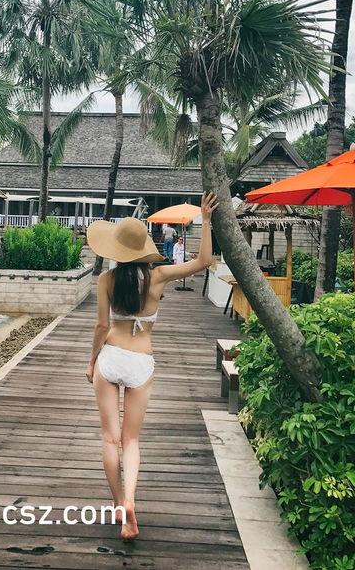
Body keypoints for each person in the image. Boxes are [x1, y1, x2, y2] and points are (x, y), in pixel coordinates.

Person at [85, 192, 218, 542]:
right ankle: (131, 501)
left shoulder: (106, 280)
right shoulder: (157, 277)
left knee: (109, 438)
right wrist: (205, 219)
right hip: (141, 361)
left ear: (116, 250)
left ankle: (118, 504)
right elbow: (204, 261)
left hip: (110, 356)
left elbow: (101, 326)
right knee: (131, 440)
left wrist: (91, 361)